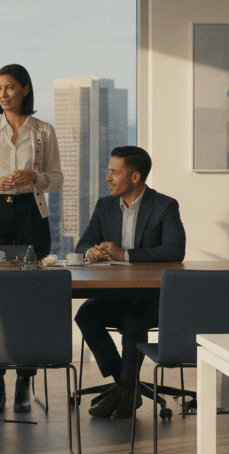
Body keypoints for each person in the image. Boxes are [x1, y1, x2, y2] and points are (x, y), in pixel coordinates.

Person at [0, 63, 63, 413]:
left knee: (30, 299)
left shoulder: (43, 131)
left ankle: (24, 381)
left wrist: (34, 177)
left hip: (32, 216)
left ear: (24, 89)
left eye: (9, 88)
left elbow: (58, 178)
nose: (3, 95)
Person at [72, 147, 186, 419]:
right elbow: (84, 243)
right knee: (86, 315)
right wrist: (91, 252)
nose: (108, 177)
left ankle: (124, 389)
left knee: (135, 319)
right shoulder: (105, 205)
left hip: (151, 297)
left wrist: (125, 254)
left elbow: (174, 250)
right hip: (116, 293)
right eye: (109, 171)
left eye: (115, 172)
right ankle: (126, 386)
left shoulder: (164, 205)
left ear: (135, 177)